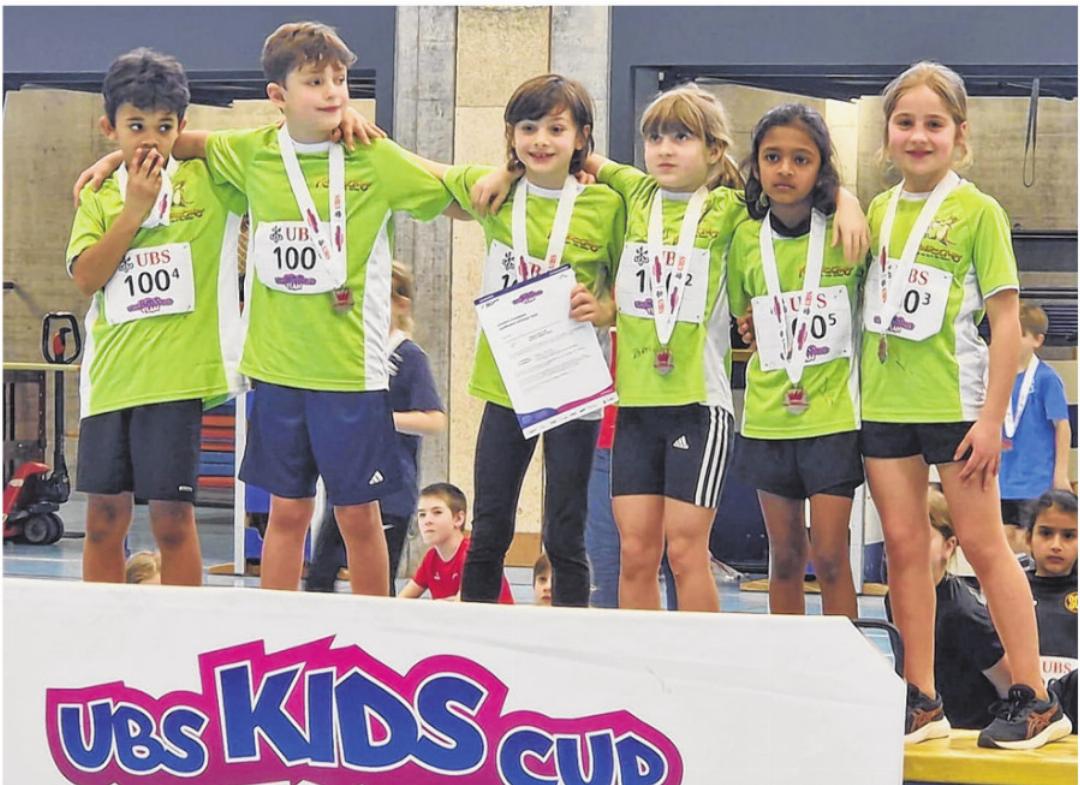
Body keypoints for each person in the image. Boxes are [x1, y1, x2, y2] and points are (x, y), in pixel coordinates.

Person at [475, 84, 869, 612]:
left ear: (715, 150)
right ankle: (646, 660)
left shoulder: (730, 209)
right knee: (637, 554)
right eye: (655, 138)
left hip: (698, 406)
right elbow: (567, 153)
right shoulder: (634, 194)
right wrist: (506, 171)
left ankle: (700, 658)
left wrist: (845, 198)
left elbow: (789, 194)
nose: (665, 149)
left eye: (682, 138)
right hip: (636, 407)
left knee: (685, 552)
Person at [858, 61, 1069, 748]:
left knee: (982, 545)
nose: (918, 136)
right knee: (904, 548)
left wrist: (990, 417)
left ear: (959, 133)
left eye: (934, 124)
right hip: (885, 403)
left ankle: (1035, 696)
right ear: (888, 133)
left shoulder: (979, 211)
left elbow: (1005, 322)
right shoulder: (877, 210)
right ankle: (921, 697)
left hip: (955, 403)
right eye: (905, 122)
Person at [408, 74, 624, 607]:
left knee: (565, 531)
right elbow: (425, 172)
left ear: (582, 136)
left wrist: (605, 309)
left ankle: (567, 634)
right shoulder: (496, 195)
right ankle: (479, 636)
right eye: (528, 128)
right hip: (508, 382)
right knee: (491, 525)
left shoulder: (607, 206)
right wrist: (503, 170)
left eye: (556, 129)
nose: (540, 140)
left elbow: (628, 284)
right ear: (510, 134)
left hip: (573, 386)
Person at [67, 48, 246, 586]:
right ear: (109, 127)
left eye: (164, 126)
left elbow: (268, 145)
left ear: (182, 127)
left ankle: (183, 628)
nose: (149, 139)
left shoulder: (211, 181)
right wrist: (133, 210)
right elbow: (87, 277)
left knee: (173, 519)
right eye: (135, 126)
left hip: (177, 380)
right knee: (104, 519)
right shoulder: (99, 195)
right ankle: (101, 624)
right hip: (110, 381)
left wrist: (146, 151)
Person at [727, 104, 863, 619]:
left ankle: (845, 658)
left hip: (832, 420)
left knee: (829, 557)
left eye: (801, 159)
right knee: (783, 558)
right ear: (757, 164)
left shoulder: (848, 230)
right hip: (768, 419)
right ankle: (787, 660)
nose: (785, 169)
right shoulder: (744, 238)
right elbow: (746, 318)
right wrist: (751, 328)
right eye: (772, 157)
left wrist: (847, 198)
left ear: (821, 167)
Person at [306, 261, 446, 594]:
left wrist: (383, 419)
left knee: (378, 583)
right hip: (346, 485)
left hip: (390, 492)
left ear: (401, 304)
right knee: (320, 577)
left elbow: (435, 420)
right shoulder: (352, 354)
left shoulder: (409, 357)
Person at [886, 488, 1010, 730]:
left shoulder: (963, 613)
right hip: (922, 720)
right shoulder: (894, 596)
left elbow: (1008, 686)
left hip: (968, 730)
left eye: (922, 536)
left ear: (949, 546)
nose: (907, 545)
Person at [999, 304, 1073, 538]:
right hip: (1000, 480)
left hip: (1036, 481)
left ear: (1037, 340)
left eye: (1020, 334)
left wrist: (1060, 474)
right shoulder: (995, 376)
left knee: (1029, 539)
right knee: (1002, 538)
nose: (1012, 340)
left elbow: (1062, 426)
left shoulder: (1046, 379)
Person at [400, 483, 513, 603]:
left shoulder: (473, 555)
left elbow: (464, 603)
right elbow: (400, 601)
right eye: (422, 514)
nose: (427, 521)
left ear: (458, 519)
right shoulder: (431, 558)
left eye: (437, 512)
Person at [1026, 489, 1078, 682]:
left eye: (1069, 536)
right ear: (1028, 539)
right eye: (1046, 533)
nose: (1056, 545)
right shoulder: (1012, 592)